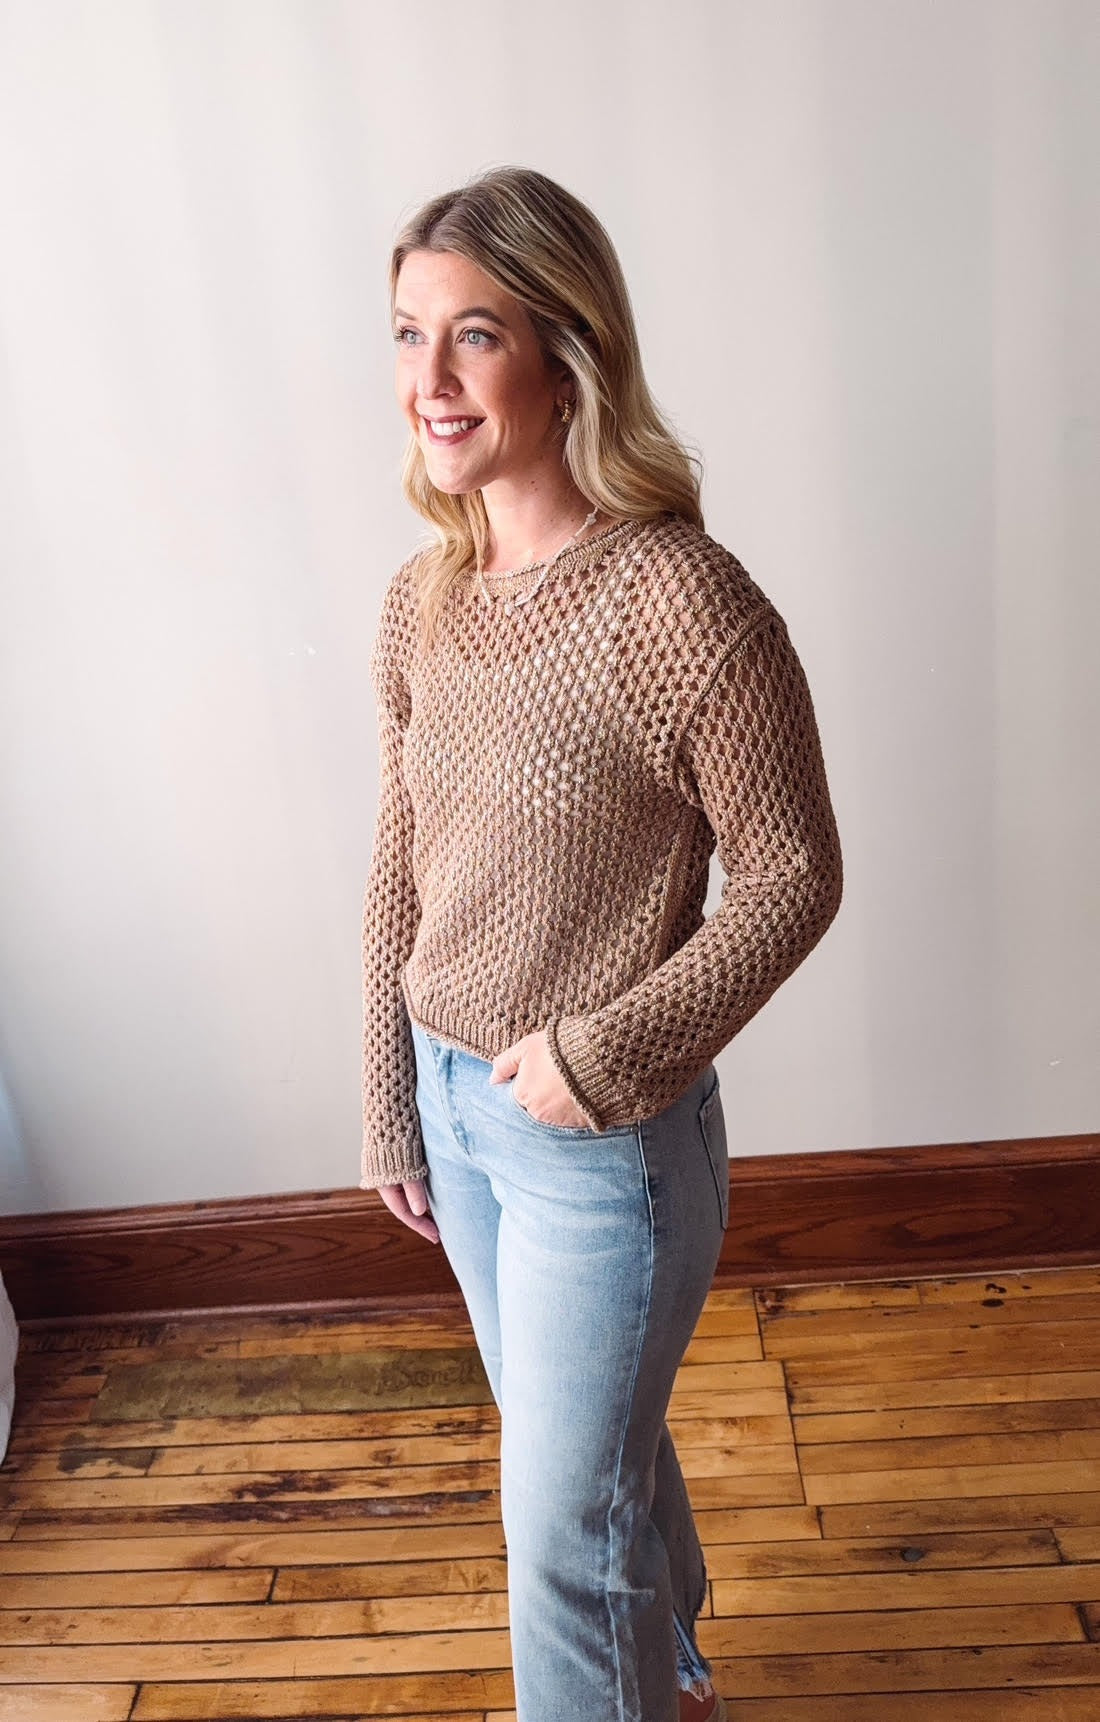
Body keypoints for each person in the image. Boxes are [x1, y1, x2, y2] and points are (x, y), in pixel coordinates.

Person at [359, 164, 844, 1722]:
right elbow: (401, 861)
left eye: (474, 333)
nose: (430, 379)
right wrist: (392, 1093)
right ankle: (675, 1675)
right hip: (457, 1109)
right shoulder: (423, 600)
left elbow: (794, 873)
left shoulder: (679, 600)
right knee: (584, 1468)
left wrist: (598, 1052)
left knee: (557, 1526)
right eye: (409, 332)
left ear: (567, 354)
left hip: (600, 1137)